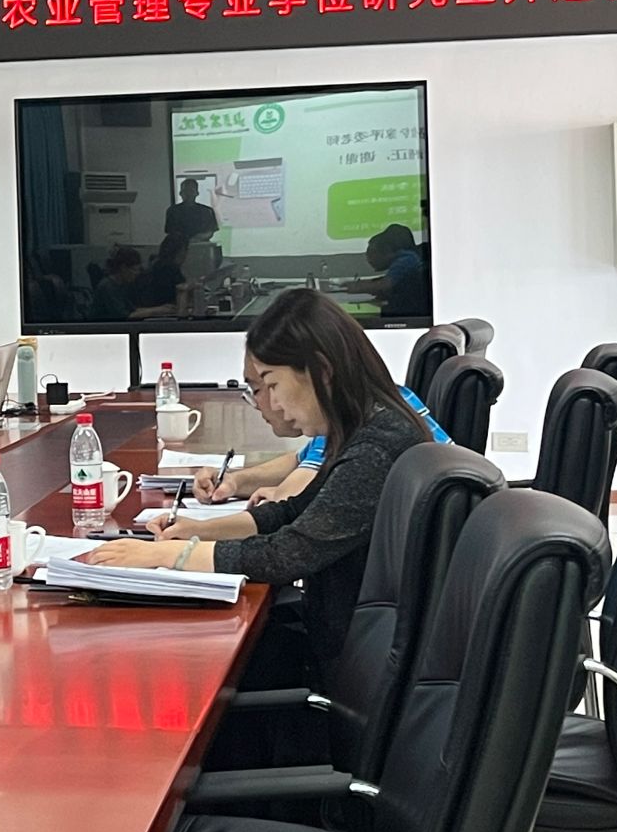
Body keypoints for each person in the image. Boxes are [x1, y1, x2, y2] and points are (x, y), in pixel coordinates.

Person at [89, 288, 433, 685]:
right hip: (341, 640)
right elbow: (292, 512)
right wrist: (200, 531)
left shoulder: (375, 448)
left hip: (343, 667)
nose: (272, 404)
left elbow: (288, 554)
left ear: (321, 371)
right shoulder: (365, 427)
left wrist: (168, 555)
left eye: (272, 384)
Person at [193, 351, 450, 504]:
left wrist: (185, 543)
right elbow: (299, 460)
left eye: (269, 386)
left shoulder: (358, 423)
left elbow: (291, 498)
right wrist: (235, 481)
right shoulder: (378, 398)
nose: (269, 402)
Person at [344, 224, 431, 318]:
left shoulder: (406, 259)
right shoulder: (410, 258)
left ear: (387, 250)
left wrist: (356, 287)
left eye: (372, 253)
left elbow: (385, 285)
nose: (368, 259)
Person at [128, 233, 189, 317]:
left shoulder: (155, 265)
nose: (186, 254)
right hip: (162, 313)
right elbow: (179, 297)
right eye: (185, 250)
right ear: (179, 252)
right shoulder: (170, 271)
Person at [90, 247, 142, 322]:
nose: (137, 273)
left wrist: (157, 310)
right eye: (135, 270)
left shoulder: (122, 286)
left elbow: (133, 310)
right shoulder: (108, 287)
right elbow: (124, 316)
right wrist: (155, 312)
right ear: (123, 268)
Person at [164, 176, 219, 242]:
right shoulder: (172, 211)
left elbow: (210, 232)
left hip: (202, 245)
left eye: (191, 191)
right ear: (180, 193)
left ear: (197, 193)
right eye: (186, 191)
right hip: (179, 246)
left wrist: (195, 239)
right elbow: (171, 231)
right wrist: (185, 241)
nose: (189, 194)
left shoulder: (207, 211)